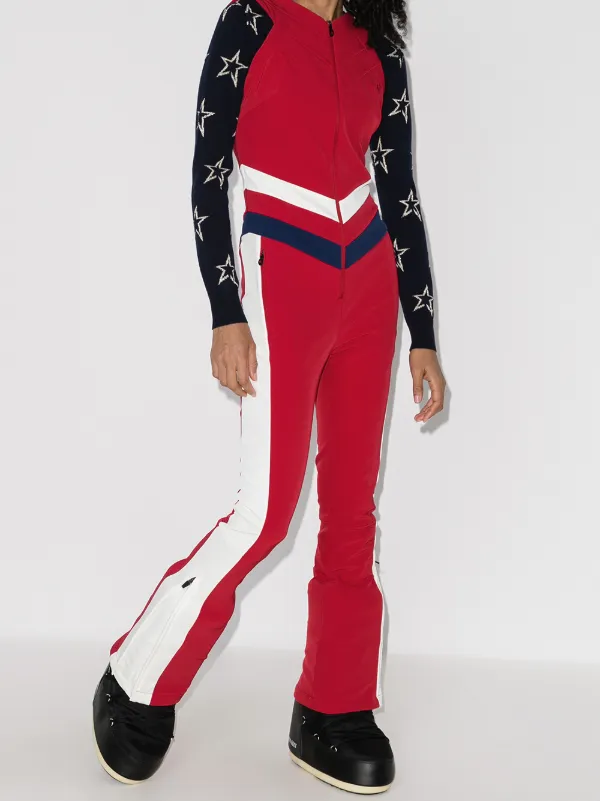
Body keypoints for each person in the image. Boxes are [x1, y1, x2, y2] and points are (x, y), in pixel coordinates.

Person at [92, 0, 446, 794]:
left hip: (370, 284)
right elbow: (207, 172)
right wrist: (226, 311)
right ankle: (137, 673)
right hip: (284, 273)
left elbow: (399, 189)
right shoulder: (250, 22)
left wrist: (422, 329)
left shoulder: (377, 40)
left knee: (353, 508)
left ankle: (335, 705)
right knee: (264, 514)